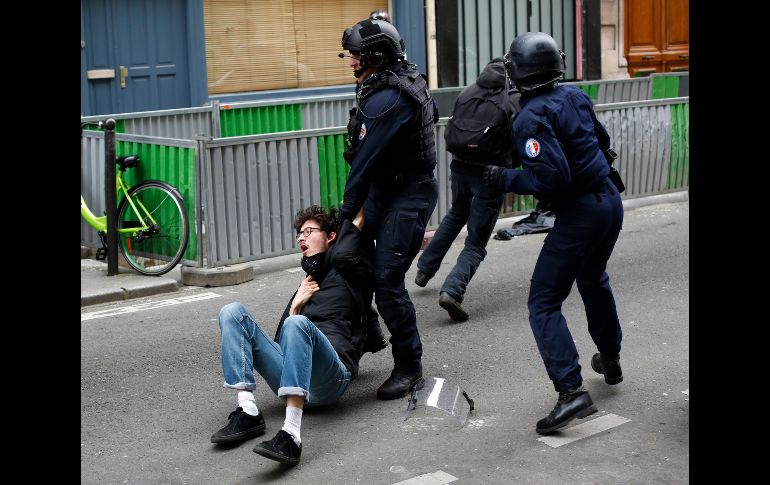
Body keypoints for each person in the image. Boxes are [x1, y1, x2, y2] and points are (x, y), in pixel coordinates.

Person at [484, 32, 625, 434]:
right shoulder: (574, 96)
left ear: (520, 73)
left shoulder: (529, 117)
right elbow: (602, 141)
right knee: (593, 278)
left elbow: (553, 177)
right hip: (610, 201)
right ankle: (610, 359)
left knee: (543, 302)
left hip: (580, 212)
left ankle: (571, 392)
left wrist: (505, 178)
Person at [210, 205, 373, 465]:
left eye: (308, 231)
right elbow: (282, 343)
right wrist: (297, 303)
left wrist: (368, 193)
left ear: (331, 236)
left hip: (330, 378)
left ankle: (291, 435)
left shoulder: (351, 268)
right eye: (299, 233)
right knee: (232, 312)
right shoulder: (306, 283)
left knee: (298, 323)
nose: (301, 238)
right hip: (293, 379)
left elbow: (354, 232)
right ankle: (248, 410)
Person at [339, 18, 439, 400]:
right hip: (386, 188)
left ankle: (409, 366)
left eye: (356, 55)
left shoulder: (390, 99)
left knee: (386, 278)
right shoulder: (388, 82)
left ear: (377, 56)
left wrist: (347, 215)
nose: (351, 62)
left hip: (408, 195)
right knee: (350, 257)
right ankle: (368, 332)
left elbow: (362, 165)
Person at [414, 57, 518, 321]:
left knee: (456, 213)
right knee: (476, 242)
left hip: (459, 168)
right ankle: (452, 291)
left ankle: (425, 268)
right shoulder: (510, 100)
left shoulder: (468, 92)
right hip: (488, 174)